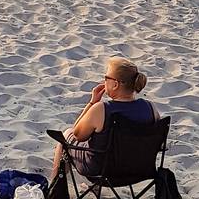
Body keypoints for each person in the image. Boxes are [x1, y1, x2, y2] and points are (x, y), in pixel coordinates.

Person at [49, 56, 159, 185]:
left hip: (102, 171)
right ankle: (92, 188)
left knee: (67, 135)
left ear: (115, 84)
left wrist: (92, 103)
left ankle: (53, 187)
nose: (104, 81)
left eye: (106, 78)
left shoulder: (102, 109)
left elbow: (78, 135)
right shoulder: (151, 108)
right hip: (138, 171)